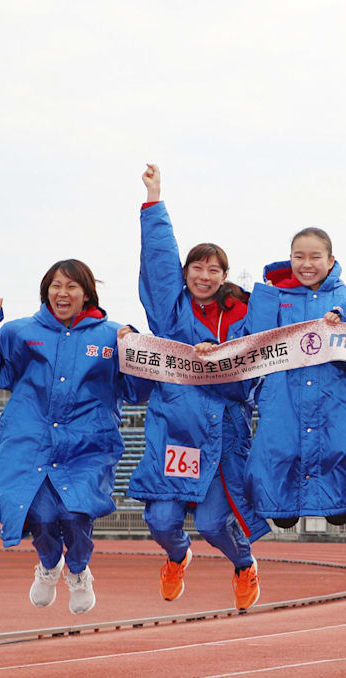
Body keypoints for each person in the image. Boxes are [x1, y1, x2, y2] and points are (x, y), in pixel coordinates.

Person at [0, 260, 152, 614]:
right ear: (46, 290)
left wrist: (137, 348)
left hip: (88, 444)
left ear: (87, 293)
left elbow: (137, 390)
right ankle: (48, 564)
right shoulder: (20, 332)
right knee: (41, 516)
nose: (63, 292)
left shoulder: (113, 335)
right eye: (56, 285)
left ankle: (77, 571)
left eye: (72, 286)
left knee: (76, 514)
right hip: (32, 441)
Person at [123, 164, 269, 611]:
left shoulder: (245, 314)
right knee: (162, 519)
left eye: (214, 269)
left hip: (224, 431)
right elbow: (158, 262)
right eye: (197, 267)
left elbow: (264, 359)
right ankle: (177, 557)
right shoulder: (170, 314)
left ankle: (244, 564)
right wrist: (154, 200)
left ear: (224, 275)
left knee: (211, 522)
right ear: (186, 273)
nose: (204, 275)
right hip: (178, 430)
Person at [243, 226, 346, 529]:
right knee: (280, 455)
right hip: (282, 398)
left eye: (315, 256)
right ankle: (283, 504)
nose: (307, 264)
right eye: (299, 256)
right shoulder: (272, 295)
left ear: (331, 260)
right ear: (289, 259)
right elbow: (254, 343)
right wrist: (265, 297)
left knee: (341, 453)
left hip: (335, 399)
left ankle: (339, 501)